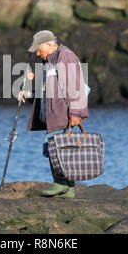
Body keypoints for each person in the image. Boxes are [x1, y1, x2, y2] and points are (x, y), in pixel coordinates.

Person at [18, 30, 88, 198]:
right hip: (53, 114)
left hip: (62, 115)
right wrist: (28, 95)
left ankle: (60, 183)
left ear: (49, 44)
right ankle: (69, 188)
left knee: (56, 149)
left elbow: (75, 87)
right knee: (62, 149)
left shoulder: (65, 56)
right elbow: (48, 92)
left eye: (38, 48)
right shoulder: (50, 61)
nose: (37, 52)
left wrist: (76, 113)